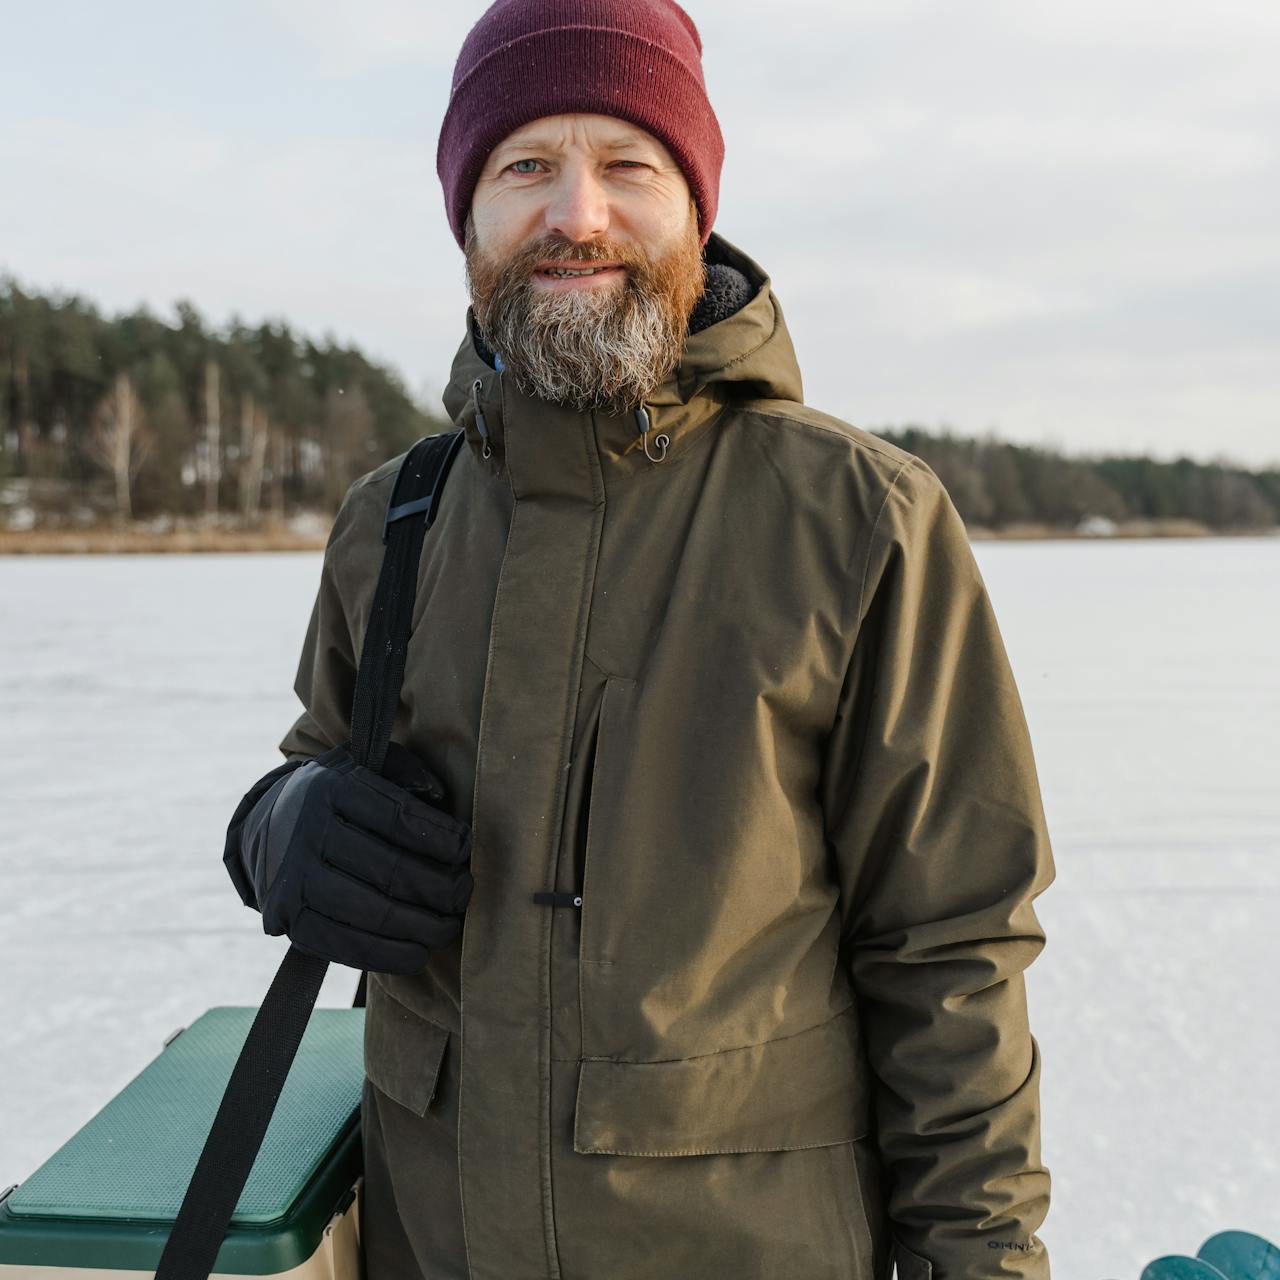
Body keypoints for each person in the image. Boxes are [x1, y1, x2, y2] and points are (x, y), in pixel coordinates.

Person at [223, 1, 1057, 1276]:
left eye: (627, 164)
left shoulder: (858, 517)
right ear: (467, 214)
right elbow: (315, 766)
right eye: (525, 166)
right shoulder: (393, 519)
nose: (577, 214)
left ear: (693, 208)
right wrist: (279, 827)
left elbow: (951, 948)